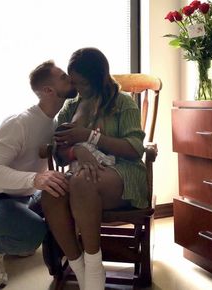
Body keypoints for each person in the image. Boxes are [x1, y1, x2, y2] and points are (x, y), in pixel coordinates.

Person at [41, 48, 149, 290]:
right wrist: (77, 150)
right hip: (80, 171)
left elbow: (134, 149)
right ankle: (79, 267)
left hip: (123, 171)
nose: (78, 88)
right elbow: (58, 151)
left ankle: (94, 266)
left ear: (100, 78)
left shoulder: (123, 104)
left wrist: (89, 136)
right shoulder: (70, 107)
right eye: (74, 82)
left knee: (81, 182)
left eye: (84, 83)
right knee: (51, 190)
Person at [0, 60, 77, 289]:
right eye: (64, 78)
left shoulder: (53, 122)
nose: (71, 79)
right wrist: (35, 179)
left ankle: (18, 236)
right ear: (48, 91)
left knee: (65, 193)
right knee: (33, 232)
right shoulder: (20, 123)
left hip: (26, 197)